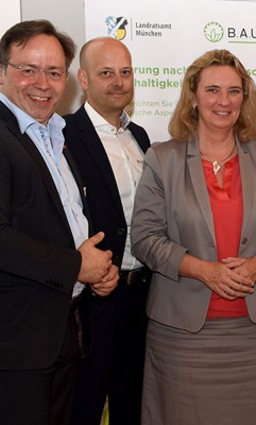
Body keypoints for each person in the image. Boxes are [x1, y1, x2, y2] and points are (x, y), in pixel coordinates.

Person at [0, 19, 118, 425]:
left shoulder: (56, 135)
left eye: (54, 72)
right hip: (13, 341)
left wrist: (95, 272)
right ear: (2, 72)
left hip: (63, 333)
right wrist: (78, 266)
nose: (43, 82)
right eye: (28, 69)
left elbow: (61, 224)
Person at [130, 49, 256, 425]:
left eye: (234, 91)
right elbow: (144, 237)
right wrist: (204, 271)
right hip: (182, 336)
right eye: (212, 90)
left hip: (255, 334)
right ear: (193, 97)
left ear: (245, 98)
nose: (224, 101)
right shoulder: (163, 159)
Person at [65, 37, 151, 425]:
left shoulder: (141, 137)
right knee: (84, 404)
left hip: (142, 296)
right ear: (83, 78)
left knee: (132, 404)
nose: (118, 82)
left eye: (125, 72)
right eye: (106, 73)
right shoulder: (62, 136)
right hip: (94, 299)